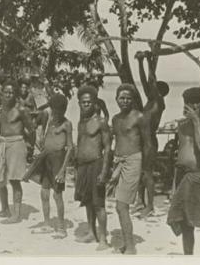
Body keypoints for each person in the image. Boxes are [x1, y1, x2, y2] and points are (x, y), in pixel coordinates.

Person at [107, 84, 153, 254]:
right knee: (118, 205)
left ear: (133, 100)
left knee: (121, 206)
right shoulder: (115, 119)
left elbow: (148, 145)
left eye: (128, 98)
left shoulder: (139, 117)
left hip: (134, 161)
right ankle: (127, 243)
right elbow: (114, 141)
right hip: (118, 161)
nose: (124, 101)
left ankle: (131, 246)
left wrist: (144, 169)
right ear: (116, 99)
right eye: (121, 98)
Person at [167, 87, 200, 255]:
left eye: (196, 105)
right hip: (182, 177)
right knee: (185, 225)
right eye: (188, 104)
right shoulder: (182, 125)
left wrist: (195, 121)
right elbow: (179, 157)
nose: (191, 108)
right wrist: (174, 187)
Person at [0, 76, 34, 224]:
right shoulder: (1, 108)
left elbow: (31, 129)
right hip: (3, 144)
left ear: (16, 94)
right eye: (6, 92)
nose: (8, 95)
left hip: (17, 145)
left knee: (14, 180)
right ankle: (5, 209)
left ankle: (16, 215)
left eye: (11, 93)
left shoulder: (21, 109)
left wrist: (28, 147)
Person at [22, 93, 73, 238]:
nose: (57, 113)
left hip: (58, 162)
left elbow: (70, 147)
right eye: (54, 110)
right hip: (46, 160)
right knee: (44, 193)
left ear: (64, 110)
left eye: (60, 110)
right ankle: (46, 223)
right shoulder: (50, 122)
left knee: (57, 195)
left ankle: (62, 227)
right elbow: (37, 125)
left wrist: (63, 170)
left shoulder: (67, 124)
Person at [73, 85, 111, 250]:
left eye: (89, 102)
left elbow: (108, 148)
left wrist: (104, 171)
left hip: (96, 164)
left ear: (95, 103)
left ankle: (103, 239)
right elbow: (80, 144)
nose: (86, 105)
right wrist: (76, 168)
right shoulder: (81, 122)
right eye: (83, 102)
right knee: (87, 201)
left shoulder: (101, 122)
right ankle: (91, 232)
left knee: (99, 203)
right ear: (79, 103)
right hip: (83, 166)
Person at [134, 51, 170, 217]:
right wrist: (140, 63)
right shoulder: (150, 102)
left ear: (159, 91)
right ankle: (140, 202)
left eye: (153, 88)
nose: (148, 89)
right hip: (141, 141)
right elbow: (143, 81)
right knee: (140, 172)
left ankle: (150, 206)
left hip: (149, 142)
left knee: (147, 174)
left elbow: (151, 81)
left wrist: (149, 61)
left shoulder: (159, 102)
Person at [18, 77, 37, 162]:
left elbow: (35, 109)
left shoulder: (30, 96)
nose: (24, 89)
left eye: (25, 88)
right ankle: (22, 155)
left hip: (29, 119)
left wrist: (34, 120)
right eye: (22, 87)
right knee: (21, 137)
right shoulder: (18, 97)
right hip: (20, 119)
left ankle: (30, 155)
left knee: (31, 136)